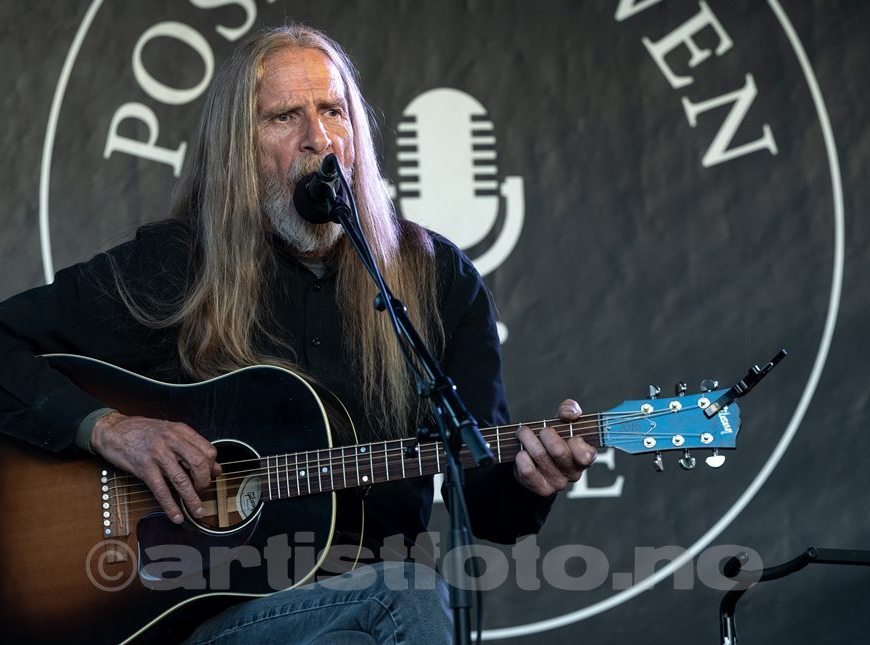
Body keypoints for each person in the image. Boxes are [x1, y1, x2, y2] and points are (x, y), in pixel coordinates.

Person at [0, 24, 596, 643]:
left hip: (364, 620)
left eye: (333, 111)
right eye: (285, 117)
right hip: (206, 622)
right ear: (239, 147)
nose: (319, 138)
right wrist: (106, 428)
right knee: (409, 592)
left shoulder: (437, 281)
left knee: (395, 601)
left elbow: (489, 509)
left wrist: (530, 481)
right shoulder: (177, 267)